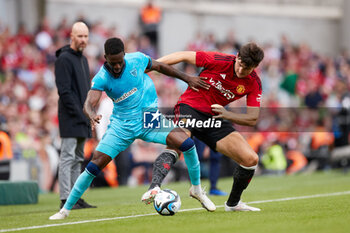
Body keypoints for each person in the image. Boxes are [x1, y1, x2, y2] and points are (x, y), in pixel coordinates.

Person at [49, 37, 215, 220]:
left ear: (124, 56)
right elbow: (90, 101)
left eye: (120, 62)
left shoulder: (137, 59)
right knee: (95, 163)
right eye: (113, 63)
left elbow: (160, 67)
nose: (118, 66)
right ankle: (65, 210)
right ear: (105, 58)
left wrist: (187, 78)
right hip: (122, 126)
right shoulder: (102, 78)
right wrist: (90, 113)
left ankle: (197, 190)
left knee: (187, 144)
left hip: (149, 118)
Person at [142, 42, 264, 211]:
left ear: (256, 67)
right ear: (237, 57)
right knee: (179, 143)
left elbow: (252, 118)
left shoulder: (254, 82)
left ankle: (233, 203)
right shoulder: (219, 60)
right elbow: (183, 55)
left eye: (247, 69)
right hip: (190, 107)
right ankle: (154, 187)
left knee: (251, 159)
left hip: (215, 117)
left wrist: (228, 115)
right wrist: (151, 64)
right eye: (240, 65)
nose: (241, 71)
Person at [54, 22, 96, 209]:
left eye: (86, 36)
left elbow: (86, 91)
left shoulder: (83, 59)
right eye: (80, 36)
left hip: (81, 117)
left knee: (78, 157)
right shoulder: (64, 59)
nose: (83, 40)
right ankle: (65, 198)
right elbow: (65, 92)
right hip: (71, 117)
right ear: (71, 36)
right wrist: (82, 114)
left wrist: (88, 114)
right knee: (68, 157)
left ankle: (75, 197)